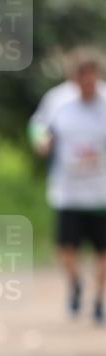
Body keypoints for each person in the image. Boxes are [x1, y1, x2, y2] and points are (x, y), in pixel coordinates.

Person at [29, 49, 106, 323]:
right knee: (66, 249)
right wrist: (41, 140)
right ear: (73, 78)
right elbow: (37, 125)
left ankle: (99, 300)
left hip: (101, 192)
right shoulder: (57, 100)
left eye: (91, 77)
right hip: (68, 190)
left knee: (102, 251)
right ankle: (75, 284)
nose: (87, 83)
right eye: (81, 78)